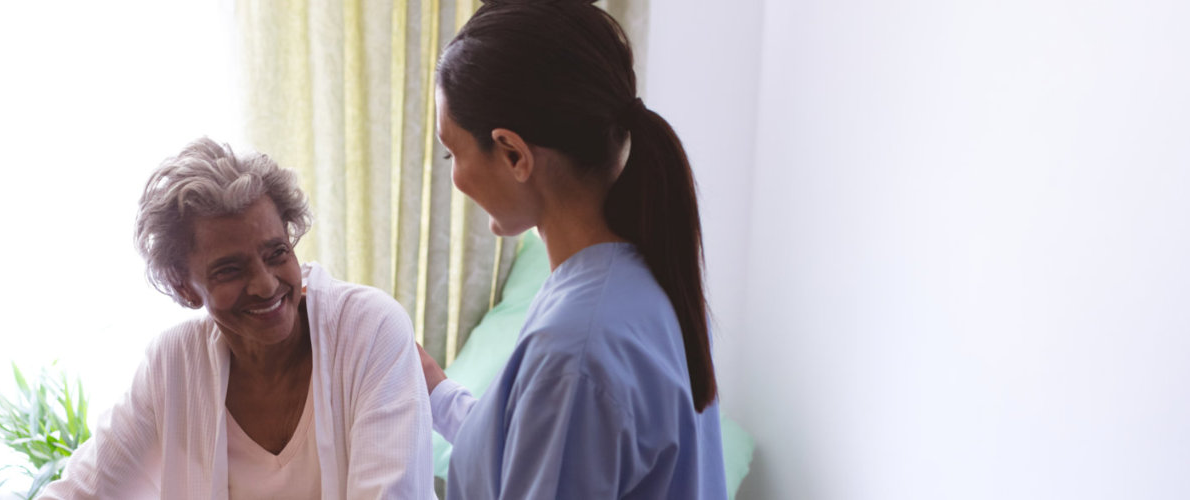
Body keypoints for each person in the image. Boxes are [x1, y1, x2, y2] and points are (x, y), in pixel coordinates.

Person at [418, 0, 728, 498]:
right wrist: (435, 390)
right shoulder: (642, 283)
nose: (455, 179)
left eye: (453, 153)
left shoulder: (575, 347)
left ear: (514, 154)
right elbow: (536, 447)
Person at [42, 138, 434, 499]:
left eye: (277, 252)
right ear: (184, 288)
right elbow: (82, 491)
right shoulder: (173, 364)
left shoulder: (369, 328)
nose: (265, 285)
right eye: (230, 270)